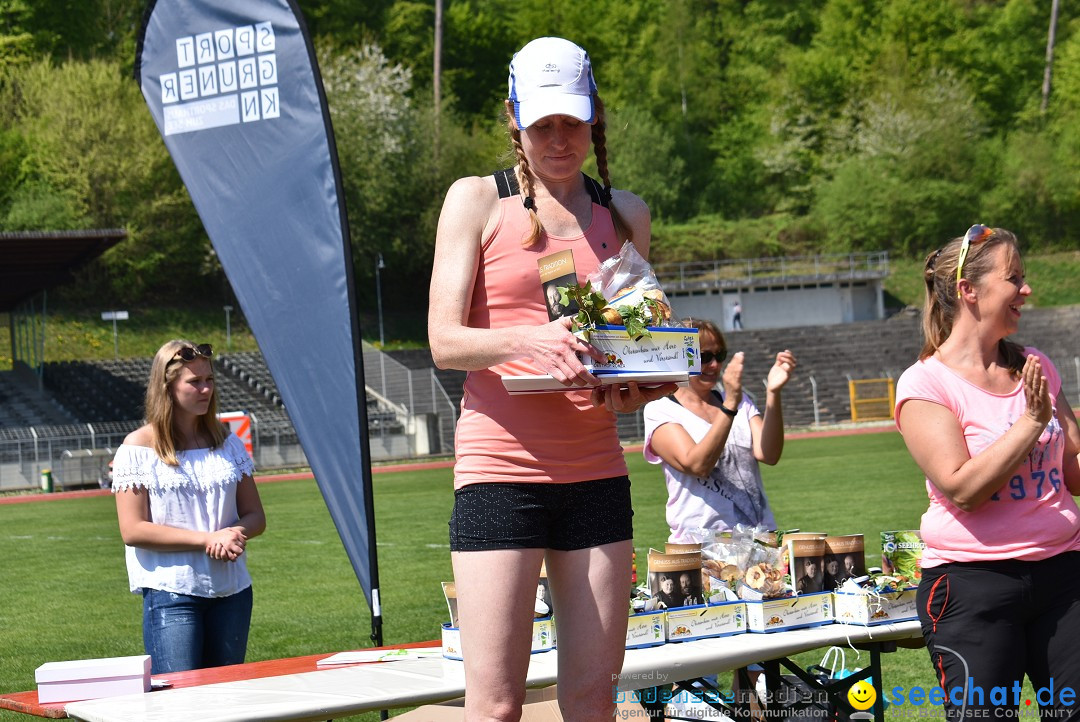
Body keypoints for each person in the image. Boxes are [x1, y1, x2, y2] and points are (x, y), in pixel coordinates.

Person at [427, 36, 675, 721]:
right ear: (514, 117)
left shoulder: (626, 214)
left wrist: (637, 383)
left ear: (595, 112)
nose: (559, 138)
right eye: (542, 124)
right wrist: (526, 339)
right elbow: (444, 341)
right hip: (499, 471)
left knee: (595, 700)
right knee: (497, 705)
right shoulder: (476, 201)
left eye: (572, 120)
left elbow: (629, 347)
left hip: (597, 472)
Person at [895, 225, 1080, 720]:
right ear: (968, 291)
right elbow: (964, 488)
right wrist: (1031, 422)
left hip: (1063, 577)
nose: (1027, 289)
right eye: (1014, 278)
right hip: (971, 587)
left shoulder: (1035, 365)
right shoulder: (925, 383)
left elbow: (1074, 472)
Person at [112, 340, 266, 675]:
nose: (206, 389)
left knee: (227, 700)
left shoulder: (227, 442)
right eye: (194, 382)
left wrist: (235, 532)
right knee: (179, 704)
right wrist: (208, 540)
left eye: (209, 380)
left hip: (233, 592)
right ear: (166, 387)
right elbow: (133, 529)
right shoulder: (137, 448)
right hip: (172, 591)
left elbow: (256, 516)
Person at [643, 319, 797, 542]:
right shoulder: (661, 410)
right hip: (700, 543)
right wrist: (730, 406)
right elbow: (697, 465)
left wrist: (773, 393)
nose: (714, 365)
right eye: (704, 357)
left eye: (720, 355)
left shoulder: (737, 401)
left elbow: (769, 454)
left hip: (758, 538)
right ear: (677, 356)